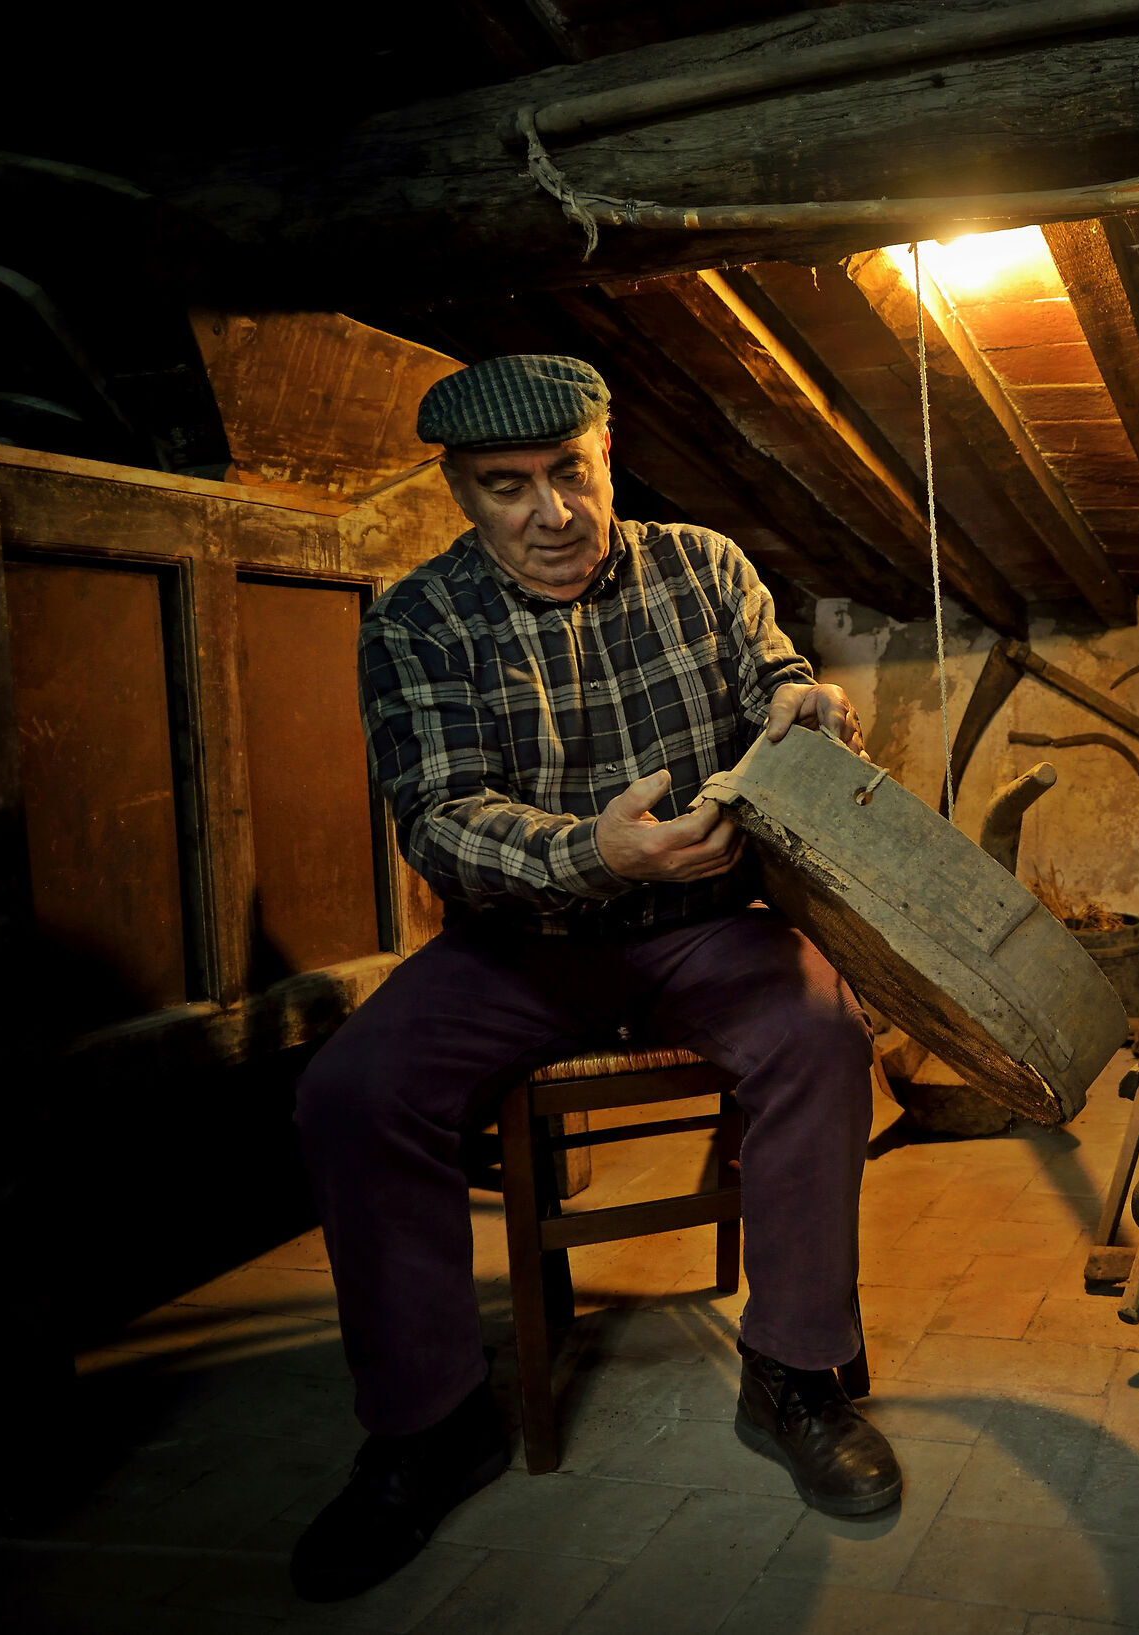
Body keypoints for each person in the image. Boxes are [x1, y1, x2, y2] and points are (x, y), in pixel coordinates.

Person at [287, 355, 899, 1602]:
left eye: (570, 472)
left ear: (608, 450)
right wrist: (590, 851)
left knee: (823, 1037)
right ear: (461, 490)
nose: (551, 514)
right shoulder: (417, 619)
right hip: (523, 944)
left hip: (704, 921)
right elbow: (440, 819)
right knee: (351, 1092)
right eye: (507, 488)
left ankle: (796, 1373)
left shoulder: (704, 567)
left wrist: (810, 710)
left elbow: (774, 679)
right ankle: (428, 1422)